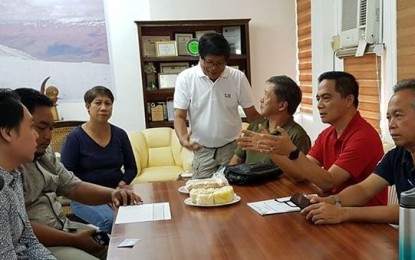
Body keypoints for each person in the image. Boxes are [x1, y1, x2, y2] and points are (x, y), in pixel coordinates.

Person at [14, 88, 142, 260]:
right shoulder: (9, 170)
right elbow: (21, 227)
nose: (47, 136)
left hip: (64, 227)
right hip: (38, 243)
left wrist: (113, 193)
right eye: (40, 127)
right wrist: (74, 240)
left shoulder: (45, 155)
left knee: (126, 251)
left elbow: (73, 186)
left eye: (51, 128)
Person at [238, 71, 387, 205]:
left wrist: (292, 151)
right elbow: (300, 174)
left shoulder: (363, 137)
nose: (319, 105)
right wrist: (270, 148)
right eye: (318, 99)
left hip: (362, 220)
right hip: (332, 207)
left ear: (349, 100)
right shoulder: (327, 134)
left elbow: (329, 182)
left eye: (326, 98)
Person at [301, 79, 415, 225]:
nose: (391, 125)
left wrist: (344, 213)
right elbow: (364, 189)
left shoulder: (363, 135)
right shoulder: (397, 155)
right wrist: (331, 201)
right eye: (388, 118)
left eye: (398, 116)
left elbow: (408, 210)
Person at [174, 32, 263, 179]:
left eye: (220, 63)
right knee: (201, 192)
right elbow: (179, 116)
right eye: (209, 62)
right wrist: (183, 138)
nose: (214, 68)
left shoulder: (237, 77)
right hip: (203, 150)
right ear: (200, 58)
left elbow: (252, 114)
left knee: (236, 191)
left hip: (233, 148)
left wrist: (269, 134)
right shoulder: (186, 78)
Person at [60, 86, 137, 234]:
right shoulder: (75, 137)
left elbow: (131, 168)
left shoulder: (120, 134)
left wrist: (119, 187)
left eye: (108, 103)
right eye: (98, 103)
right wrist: (102, 194)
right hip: (85, 197)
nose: (103, 108)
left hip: (117, 191)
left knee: (139, 220)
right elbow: (65, 175)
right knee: (111, 221)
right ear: (88, 107)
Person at [0, 89, 55, 259]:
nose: (37, 135)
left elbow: (29, 241)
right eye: (32, 127)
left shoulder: (13, 177)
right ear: (8, 132)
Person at [229, 75, 311, 170]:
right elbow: (237, 160)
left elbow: (300, 174)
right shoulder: (255, 126)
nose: (261, 100)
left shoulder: (298, 135)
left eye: (266, 95)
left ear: (282, 105)